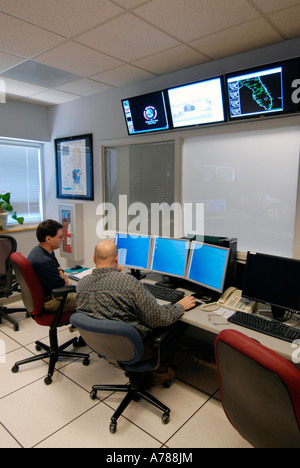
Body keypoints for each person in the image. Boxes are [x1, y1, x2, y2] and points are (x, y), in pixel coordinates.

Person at [76, 239, 196, 385]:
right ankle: (160, 370)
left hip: (103, 346)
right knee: (179, 321)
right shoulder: (129, 283)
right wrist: (180, 306)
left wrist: (116, 274)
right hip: (137, 349)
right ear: (117, 259)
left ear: (94, 259)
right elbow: (158, 319)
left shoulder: (81, 284)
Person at [27, 219, 76, 312]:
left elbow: (58, 267)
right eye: (60, 237)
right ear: (48, 239)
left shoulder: (41, 250)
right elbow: (63, 284)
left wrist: (60, 272)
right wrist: (64, 278)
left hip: (49, 293)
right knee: (88, 300)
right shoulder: (44, 262)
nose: (63, 239)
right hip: (50, 301)